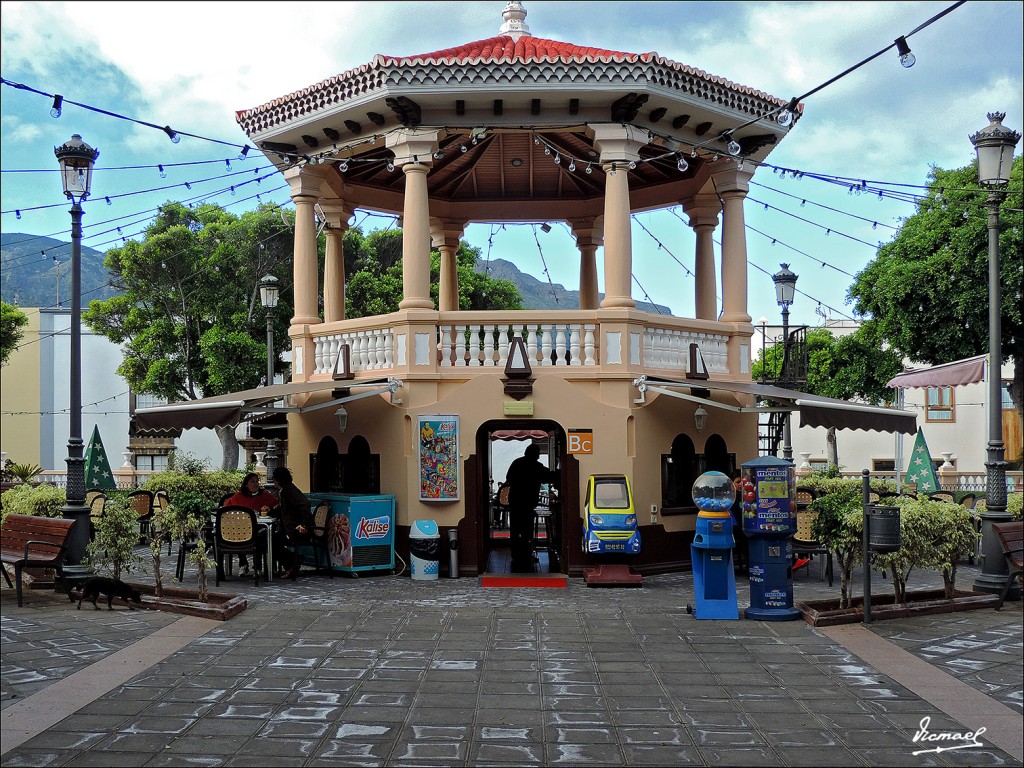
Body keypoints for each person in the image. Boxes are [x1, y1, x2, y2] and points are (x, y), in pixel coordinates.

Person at [504, 444, 557, 573]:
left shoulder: (516, 463)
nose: (539, 455)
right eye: (538, 453)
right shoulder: (537, 467)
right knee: (527, 530)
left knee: (515, 529)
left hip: (515, 501)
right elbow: (549, 477)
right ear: (535, 454)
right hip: (528, 502)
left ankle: (515, 555)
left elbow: (508, 478)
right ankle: (526, 555)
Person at [224, 473, 278, 577]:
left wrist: (269, 508)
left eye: (257, 481)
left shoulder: (265, 495)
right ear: (246, 485)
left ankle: (257, 567)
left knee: (259, 537)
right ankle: (243, 564)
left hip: (259, 528)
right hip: (240, 529)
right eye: (252, 481)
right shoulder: (238, 496)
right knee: (238, 534)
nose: (256, 484)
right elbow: (226, 509)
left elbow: (277, 505)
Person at [270, 466, 315, 580]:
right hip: (290, 528)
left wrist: (304, 524)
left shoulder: (288, 491)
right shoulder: (287, 491)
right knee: (270, 540)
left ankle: (291, 563)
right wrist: (272, 510)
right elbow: (287, 508)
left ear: (278, 480)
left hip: (296, 530)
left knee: (270, 542)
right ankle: (291, 563)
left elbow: (305, 504)